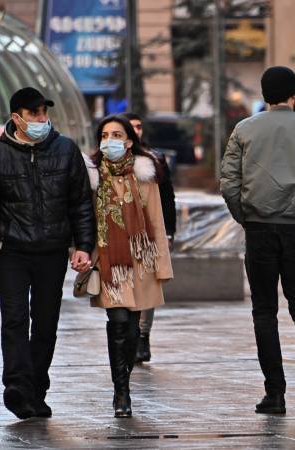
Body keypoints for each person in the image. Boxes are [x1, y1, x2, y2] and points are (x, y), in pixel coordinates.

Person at [0, 87, 95, 419]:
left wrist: (83, 246)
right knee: (14, 320)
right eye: (33, 114)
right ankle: (17, 387)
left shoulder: (65, 150)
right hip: (12, 253)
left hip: (52, 252)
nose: (41, 119)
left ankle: (36, 388)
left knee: (46, 324)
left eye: (43, 113)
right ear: (16, 118)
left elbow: (81, 202)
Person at [220, 66, 295, 414]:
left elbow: (229, 182)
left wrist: (247, 217)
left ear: (265, 94)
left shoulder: (244, 130)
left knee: (264, 311)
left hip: (259, 227)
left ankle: (275, 393)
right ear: (294, 95)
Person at [90, 114, 173, 417]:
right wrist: (82, 253)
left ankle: (124, 380)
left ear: (128, 140)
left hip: (141, 259)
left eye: (116, 135)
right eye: (105, 135)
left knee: (134, 327)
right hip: (109, 260)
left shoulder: (144, 173)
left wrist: (162, 266)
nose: (110, 140)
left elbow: (156, 220)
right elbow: (83, 219)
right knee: (118, 322)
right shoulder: (92, 175)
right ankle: (121, 391)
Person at [123, 112, 177, 363]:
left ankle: (143, 336)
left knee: (148, 284)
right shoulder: (108, 161)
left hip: (149, 234)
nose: (137, 130)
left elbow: (167, 198)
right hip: (120, 234)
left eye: (139, 126)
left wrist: (169, 231)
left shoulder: (155, 160)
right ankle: (127, 335)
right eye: (132, 127)